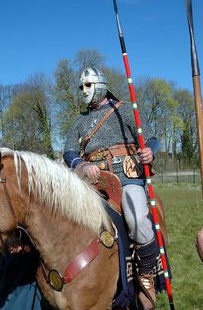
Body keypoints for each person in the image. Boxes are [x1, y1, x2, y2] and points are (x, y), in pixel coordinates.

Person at [63, 67, 160, 310]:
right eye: (81, 87)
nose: (83, 91)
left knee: (137, 219)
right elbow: (68, 151)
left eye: (87, 85)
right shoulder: (79, 120)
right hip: (94, 182)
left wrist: (149, 151)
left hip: (126, 176)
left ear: (101, 85)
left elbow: (150, 139)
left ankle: (146, 274)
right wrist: (81, 164)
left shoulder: (124, 110)